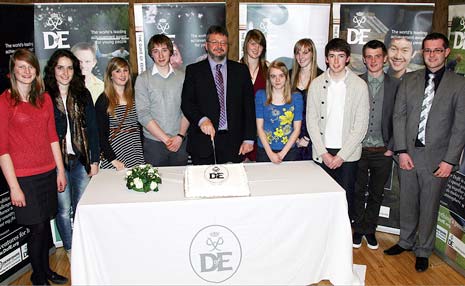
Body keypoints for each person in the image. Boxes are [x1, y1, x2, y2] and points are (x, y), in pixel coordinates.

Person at [385, 32, 465, 272]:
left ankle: (423, 250)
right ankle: (406, 241)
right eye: (428, 50)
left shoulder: (459, 84)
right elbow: (398, 117)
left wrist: (450, 160)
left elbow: (460, 126)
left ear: (446, 52)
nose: (432, 55)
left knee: (429, 205)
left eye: (437, 50)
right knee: (407, 202)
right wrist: (401, 150)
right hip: (408, 154)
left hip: (437, 159)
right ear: (423, 52)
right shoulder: (409, 79)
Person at [0, 48, 68, 285]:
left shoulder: (44, 98)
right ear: (13, 71)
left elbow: (52, 137)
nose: (26, 71)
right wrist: (14, 187)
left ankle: (46, 270)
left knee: (46, 223)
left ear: (36, 71)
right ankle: (38, 276)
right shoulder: (4, 102)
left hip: (48, 172)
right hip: (23, 178)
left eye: (30, 66)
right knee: (37, 228)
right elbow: (2, 150)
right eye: (21, 66)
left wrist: (60, 170)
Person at [44, 49, 100, 258]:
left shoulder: (83, 94)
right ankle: (69, 248)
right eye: (60, 67)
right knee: (63, 208)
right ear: (53, 70)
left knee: (81, 207)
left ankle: (82, 245)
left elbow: (93, 129)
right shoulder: (44, 97)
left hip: (81, 160)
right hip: (56, 163)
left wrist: (94, 160)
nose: (65, 73)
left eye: (69, 68)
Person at [307, 38, 369, 219]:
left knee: (345, 199)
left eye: (340, 56)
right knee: (322, 200)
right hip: (322, 152)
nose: (336, 61)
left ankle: (341, 240)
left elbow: (361, 126)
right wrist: (324, 154)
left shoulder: (359, 86)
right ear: (326, 59)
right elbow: (311, 121)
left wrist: (341, 156)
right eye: (332, 56)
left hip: (347, 154)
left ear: (347, 59)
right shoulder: (316, 84)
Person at [181, 25, 256, 165]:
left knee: (233, 184)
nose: (219, 46)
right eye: (214, 42)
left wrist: (249, 139)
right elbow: (187, 102)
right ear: (206, 45)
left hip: (235, 143)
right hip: (203, 142)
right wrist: (202, 119)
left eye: (223, 43)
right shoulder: (194, 71)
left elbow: (249, 107)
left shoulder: (241, 71)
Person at [352, 40, 400, 250]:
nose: (373, 61)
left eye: (377, 56)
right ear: (364, 59)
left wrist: (392, 146)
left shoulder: (396, 85)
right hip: (358, 149)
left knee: (376, 193)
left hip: (383, 150)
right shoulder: (355, 83)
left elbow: (400, 118)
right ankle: (358, 229)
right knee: (357, 191)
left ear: (385, 59)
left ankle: (370, 230)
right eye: (369, 57)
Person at [135, 34, 189, 166]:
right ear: (151, 54)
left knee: (179, 183)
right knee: (156, 185)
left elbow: (188, 109)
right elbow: (143, 114)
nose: (160, 55)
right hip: (154, 144)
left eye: (164, 50)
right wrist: (166, 140)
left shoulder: (183, 77)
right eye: (156, 51)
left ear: (170, 52)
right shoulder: (143, 79)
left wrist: (180, 136)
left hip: (180, 142)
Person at [96, 57, 144, 170]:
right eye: (118, 71)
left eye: (125, 70)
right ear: (110, 75)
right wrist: (112, 159)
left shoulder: (135, 96)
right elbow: (100, 134)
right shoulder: (103, 100)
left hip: (135, 151)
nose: (122, 74)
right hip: (115, 155)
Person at [255, 61, 302, 163]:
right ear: (269, 79)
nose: (277, 80)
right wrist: (270, 154)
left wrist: (282, 154)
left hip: (289, 151)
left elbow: (297, 129)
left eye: (281, 76)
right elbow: (259, 128)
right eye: (273, 76)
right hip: (265, 151)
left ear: (286, 78)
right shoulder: (261, 95)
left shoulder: (296, 97)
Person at [290, 38, 323, 160]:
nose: (301, 56)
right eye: (298, 52)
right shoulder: (288, 76)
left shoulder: (322, 78)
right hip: (290, 138)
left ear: (312, 54)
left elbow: (323, 113)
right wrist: (293, 137)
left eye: (305, 52)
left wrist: (308, 137)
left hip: (314, 139)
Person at [240, 29, 268, 161]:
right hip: (240, 130)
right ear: (245, 45)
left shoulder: (269, 69)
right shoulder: (235, 68)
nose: (256, 48)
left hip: (263, 129)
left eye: (260, 45)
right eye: (252, 43)